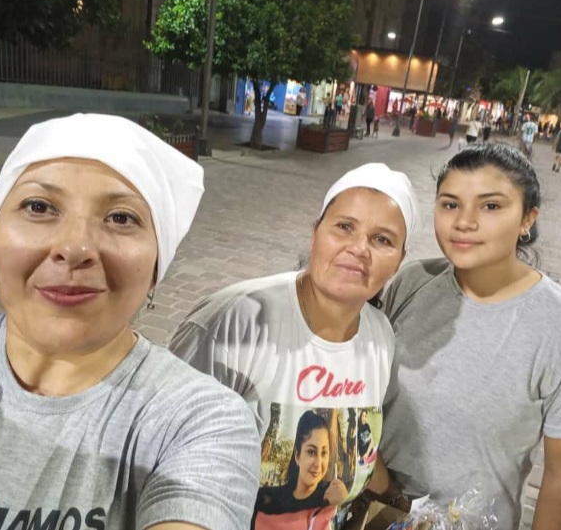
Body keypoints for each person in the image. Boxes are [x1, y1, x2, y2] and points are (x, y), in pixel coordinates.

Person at [0, 113, 261, 529]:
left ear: (156, 268)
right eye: (39, 207)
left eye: (121, 218)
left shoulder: (199, 422)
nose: (74, 247)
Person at [369, 143, 561, 529]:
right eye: (450, 204)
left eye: (490, 206)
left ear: (527, 218)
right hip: (374, 511)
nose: (464, 222)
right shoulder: (412, 282)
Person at [169, 163, 419, 530]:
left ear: (398, 261)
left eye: (382, 240)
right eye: (344, 227)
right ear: (316, 234)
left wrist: (397, 499)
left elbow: (362, 453)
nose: (358, 248)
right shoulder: (236, 321)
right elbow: (161, 454)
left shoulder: (380, 337)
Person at [253, 411, 344, 530]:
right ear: (297, 455)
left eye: (324, 453)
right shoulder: (267, 499)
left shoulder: (331, 495)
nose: (318, 463)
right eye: (311, 452)